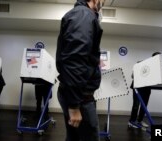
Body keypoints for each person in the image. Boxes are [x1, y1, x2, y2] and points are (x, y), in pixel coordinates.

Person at [56, 0, 105, 141]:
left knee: (74, 137)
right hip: (80, 98)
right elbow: (74, 61)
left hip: (76, 94)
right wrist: (74, 106)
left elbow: (77, 56)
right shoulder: (84, 15)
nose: (103, 4)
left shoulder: (81, 14)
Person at [128, 52, 161, 128]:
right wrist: (136, 71)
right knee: (136, 105)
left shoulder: (157, 67)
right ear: (153, 58)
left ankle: (140, 120)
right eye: (158, 57)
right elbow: (132, 76)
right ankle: (131, 121)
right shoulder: (142, 63)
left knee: (144, 106)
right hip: (137, 87)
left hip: (147, 88)